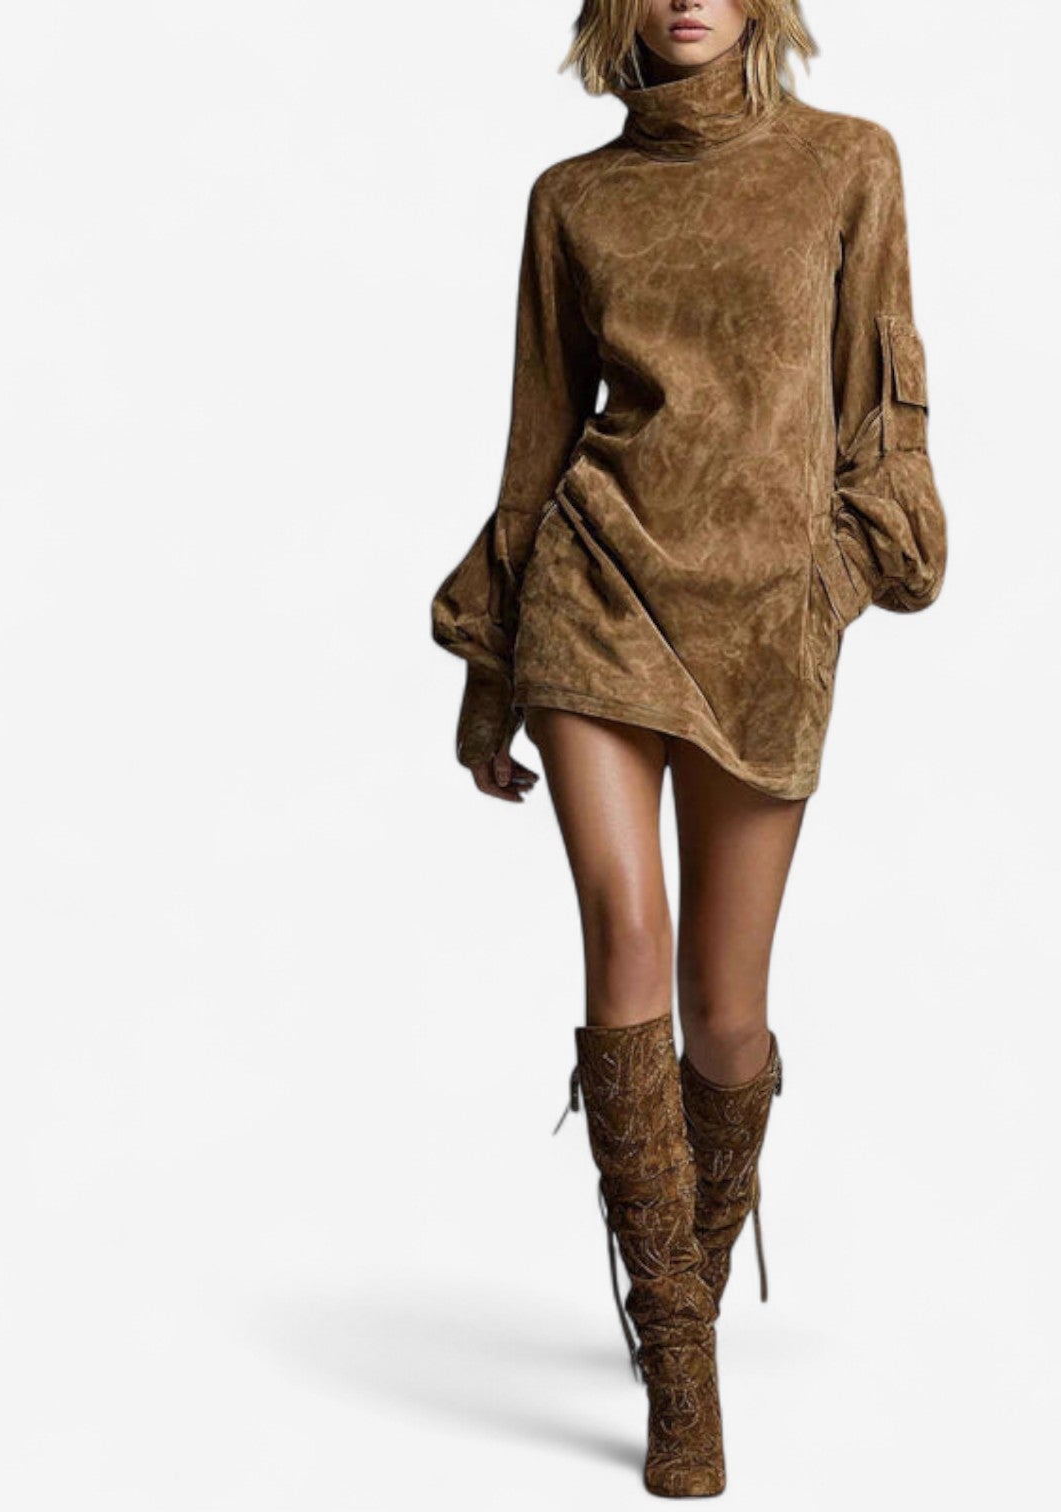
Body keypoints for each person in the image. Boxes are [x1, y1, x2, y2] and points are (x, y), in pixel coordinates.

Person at [429, 0, 947, 1497]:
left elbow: (883, 421)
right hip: (593, 591)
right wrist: (490, 675)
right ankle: (680, 1359)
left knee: (727, 1015)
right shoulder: (572, 200)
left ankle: (691, 1276)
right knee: (625, 929)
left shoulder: (849, 163)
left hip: (764, 623)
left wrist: (828, 581)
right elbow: (537, 440)